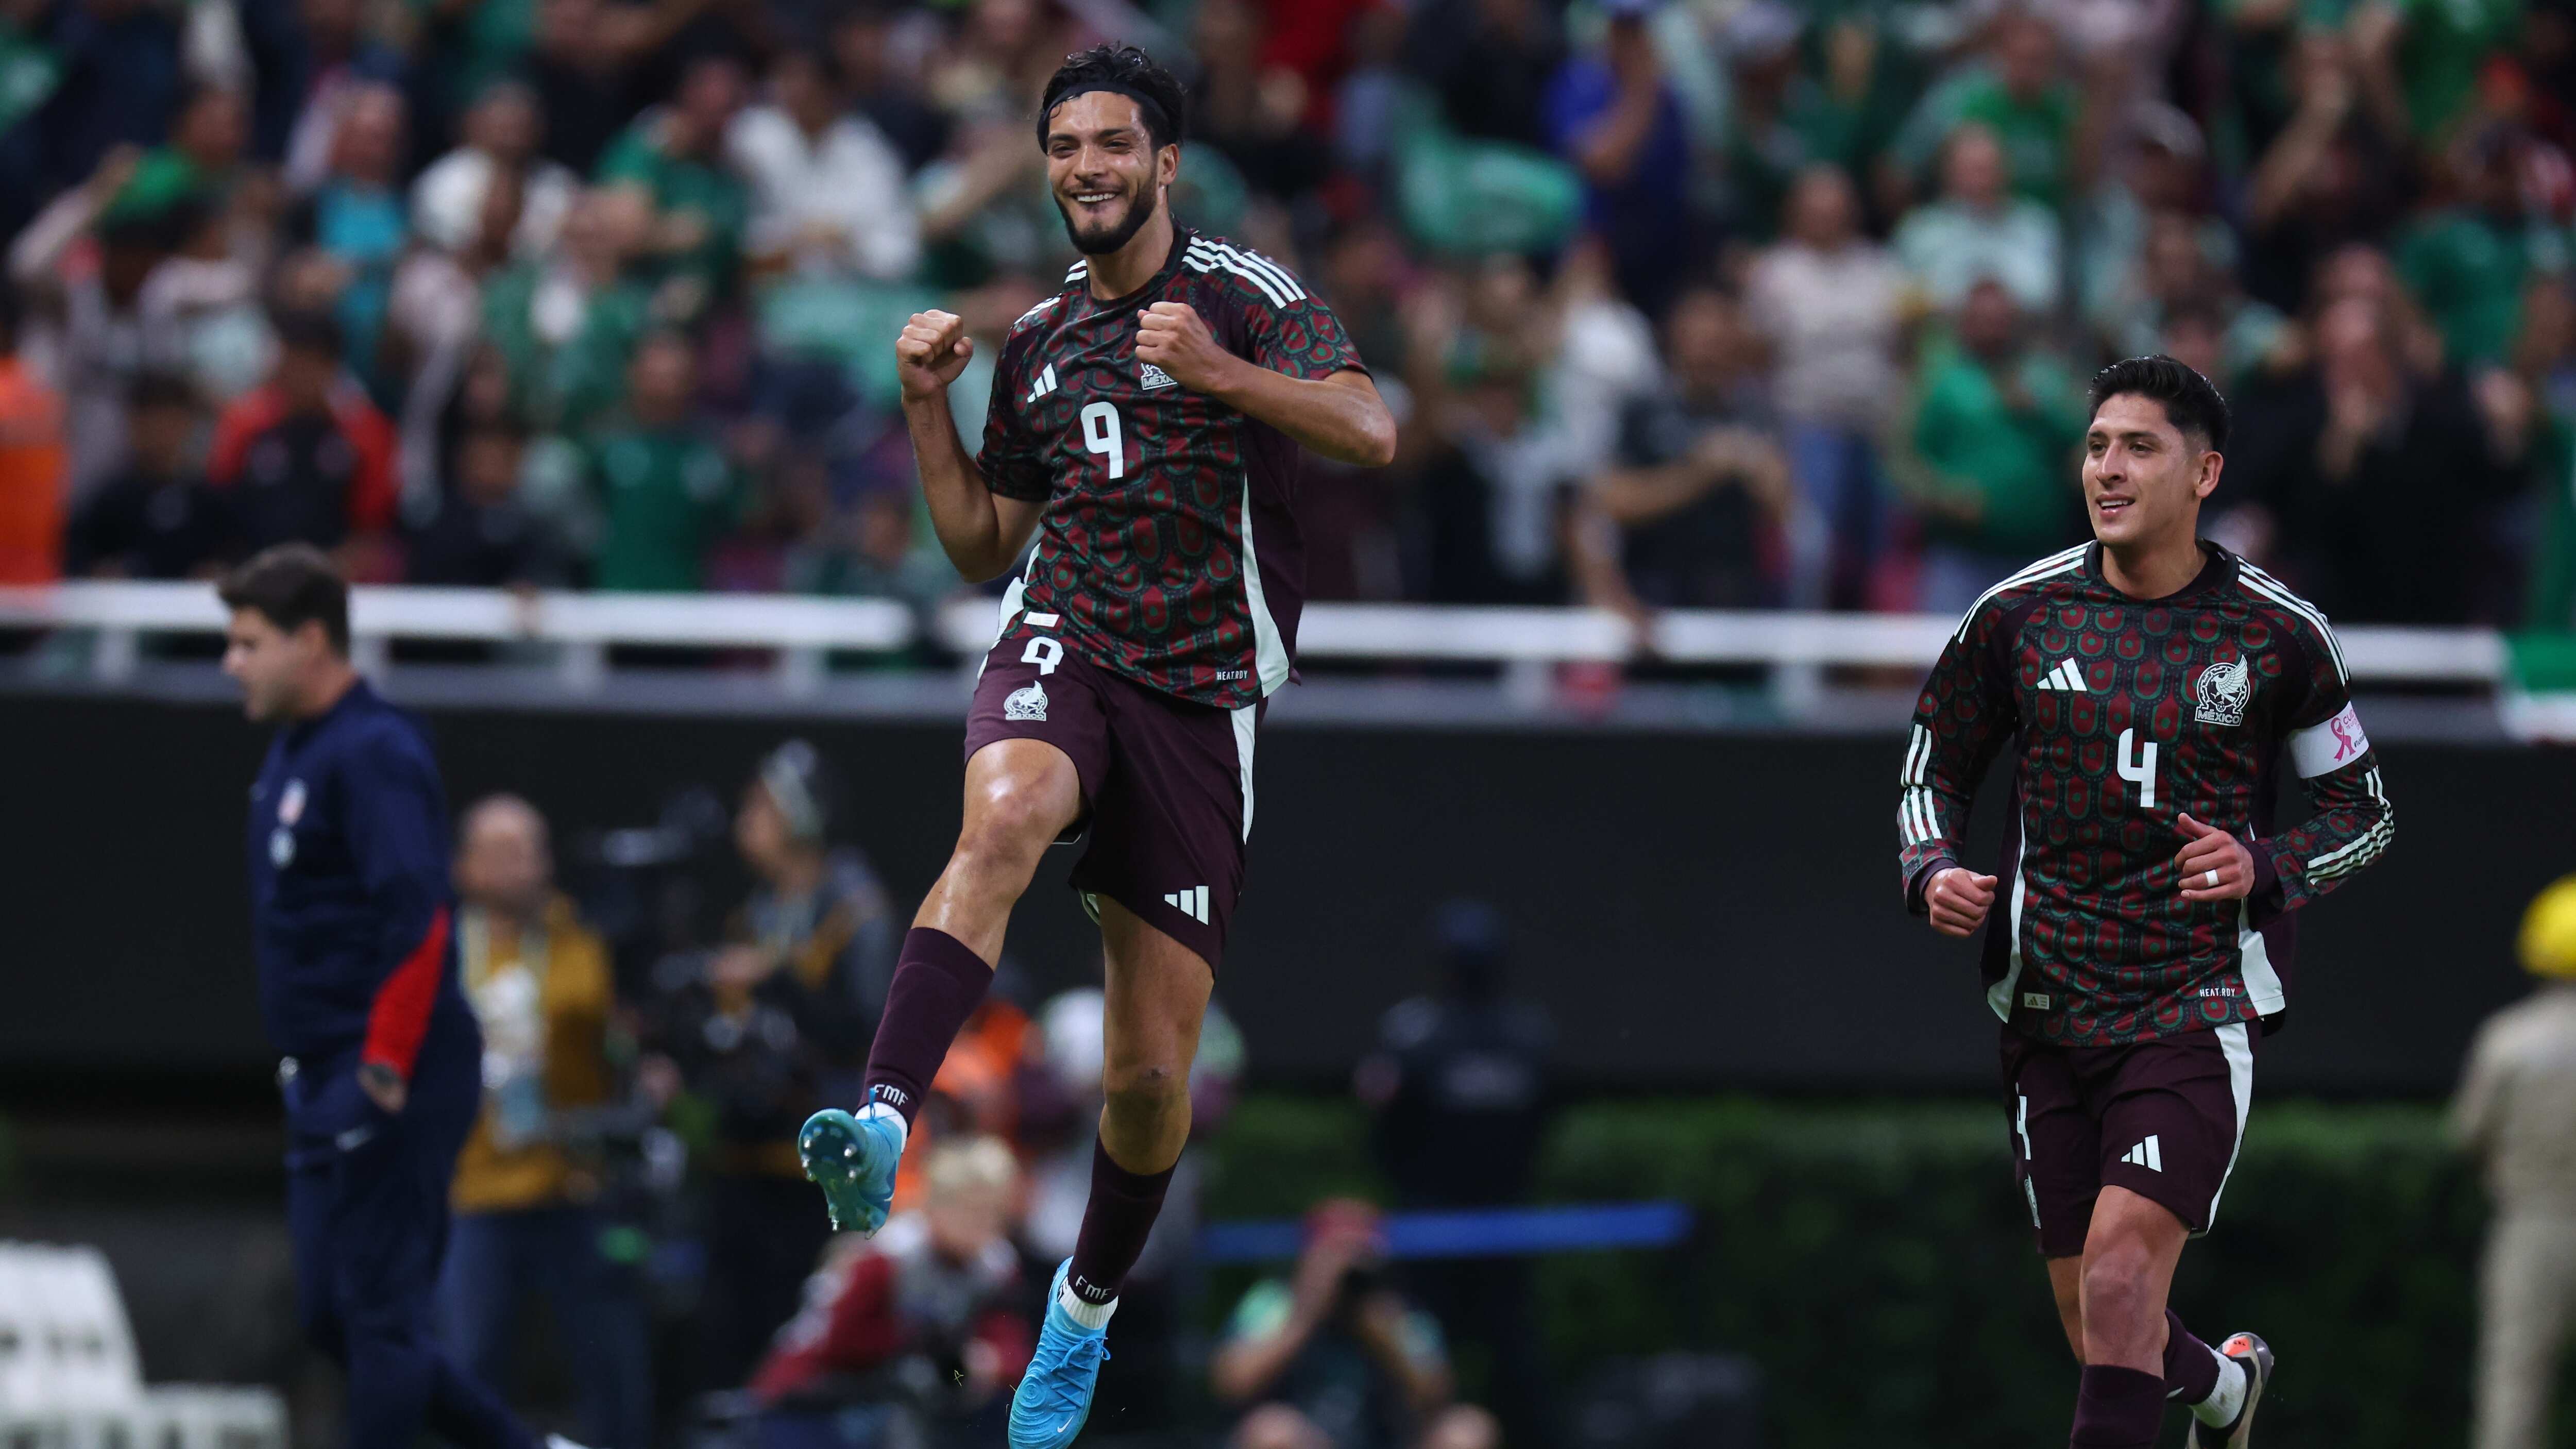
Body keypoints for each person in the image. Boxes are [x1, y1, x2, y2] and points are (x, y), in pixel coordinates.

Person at [793, 44, 1394, 1449]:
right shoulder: (1041, 340)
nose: (1086, 169)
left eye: (1112, 144)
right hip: (1064, 638)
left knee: (1147, 1080)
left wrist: (1222, 374)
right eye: (1064, 147)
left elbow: (1369, 428)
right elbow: (982, 545)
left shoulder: (1247, 298)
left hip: (1201, 698)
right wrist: (926, 406)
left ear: (1165, 164)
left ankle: (1083, 1304)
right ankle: (881, 1119)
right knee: (1001, 815)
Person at [1895, 357, 2398, 1449]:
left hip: (2193, 1001)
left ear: (2204, 473)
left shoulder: (2278, 633)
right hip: (2045, 1006)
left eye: (2139, 447)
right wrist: (1931, 866)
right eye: (2096, 446)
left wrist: (2263, 863)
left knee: (2122, 1279)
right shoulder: (2016, 614)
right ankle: (2226, 1391)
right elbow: (1933, 768)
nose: (2108, 469)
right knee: (2101, 1321)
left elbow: (2363, 813)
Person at [216, 543, 567, 1449]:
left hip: (387, 1064)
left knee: (380, 1317)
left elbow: (419, 918)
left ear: (310, 640)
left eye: (249, 643)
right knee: (334, 1314)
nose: (231, 664)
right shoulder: (297, 750)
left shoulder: (373, 750)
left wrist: (384, 1059)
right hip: (322, 1069)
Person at [643, 739, 894, 1391]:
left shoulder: (853, 907)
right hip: (742, 1147)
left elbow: (867, 1030)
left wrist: (774, 979)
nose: (745, 819)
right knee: (727, 1322)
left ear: (799, 813)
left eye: (760, 805)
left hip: (815, 1161)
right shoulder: (756, 911)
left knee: (798, 1327)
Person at [437, 795, 649, 1449]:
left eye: (535, 848)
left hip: (570, 1182)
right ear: (465, 867)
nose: (527, 865)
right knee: (470, 1359)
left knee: (610, 1365)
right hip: (475, 1187)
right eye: (506, 852)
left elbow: (601, 1025)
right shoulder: (442, 950)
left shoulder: (575, 939)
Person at [1354, 902, 1553, 1446]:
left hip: (1481, 1225)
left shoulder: (1505, 1036)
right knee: (1422, 1354)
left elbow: (1382, 1126)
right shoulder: (1516, 1035)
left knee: (1504, 1357)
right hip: (1440, 1229)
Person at [749, 1136, 1032, 1449]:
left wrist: (986, 1361)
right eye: (968, 1208)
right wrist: (919, 1340)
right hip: (813, 1396)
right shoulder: (888, 1256)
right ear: (934, 1204)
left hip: (902, 1397)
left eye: (993, 1212)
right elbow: (835, 1341)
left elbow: (1013, 1349)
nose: (981, 1223)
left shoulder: (996, 1266)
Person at [1209, 1200, 1498, 1449]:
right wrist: (1308, 1313)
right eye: (1337, 1254)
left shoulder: (1397, 1313)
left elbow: (1438, 1398)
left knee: (1468, 1429)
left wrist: (1383, 1335)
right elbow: (1231, 1383)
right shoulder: (1275, 1303)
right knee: (1272, 1431)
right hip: (1304, 1441)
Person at [2454, 873, 2576, 1449]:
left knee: (2515, 1384)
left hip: (2532, 1226)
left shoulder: (2507, 1040)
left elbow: (2467, 1135)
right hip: (2537, 1215)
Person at [207, 309, 399, 574]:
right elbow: (219, 507)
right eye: (289, 362)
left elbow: (373, 528)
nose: (295, 374)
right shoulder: (243, 424)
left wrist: (327, 571)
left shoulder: (366, 433)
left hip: (333, 573)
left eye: (306, 363)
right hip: (252, 568)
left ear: (331, 366)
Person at [66, 370, 236, 579]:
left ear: (188, 423)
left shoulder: (209, 499)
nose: (159, 432)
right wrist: (101, 573)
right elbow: (79, 559)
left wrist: (218, 571)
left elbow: (234, 557)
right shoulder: (111, 499)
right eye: (150, 421)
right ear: (133, 425)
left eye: (169, 421)